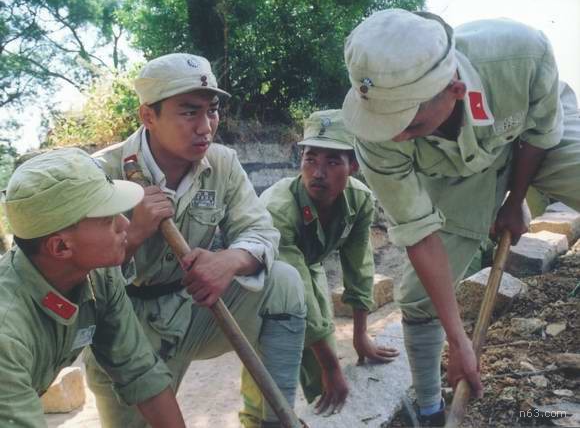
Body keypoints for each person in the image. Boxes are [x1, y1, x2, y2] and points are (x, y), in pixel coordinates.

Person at [341, 9, 580, 426]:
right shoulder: (376, 138)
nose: (395, 136)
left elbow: (541, 134)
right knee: (420, 296)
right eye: (385, 124)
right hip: (460, 174)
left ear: (453, 90)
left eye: (409, 124)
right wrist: (459, 340)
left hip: (536, 137)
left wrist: (514, 200)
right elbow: (420, 234)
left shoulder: (522, 53)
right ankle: (431, 412)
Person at [84, 53, 307, 428]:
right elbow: (81, 279)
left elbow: (261, 231)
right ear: (148, 116)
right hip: (125, 329)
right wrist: (134, 235)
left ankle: (270, 421)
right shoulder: (100, 173)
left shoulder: (222, 163)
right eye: (189, 113)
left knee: (283, 282)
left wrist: (229, 261)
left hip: (194, 310)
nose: (205, 127)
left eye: (212, 111)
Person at [0, 148, 186, 428]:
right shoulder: (7, 333)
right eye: (108, 219)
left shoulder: (100, 277)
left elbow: (141, 374)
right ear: (60, 247)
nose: (125, 224)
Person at [240, 109, 400, 422]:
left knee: (322, 354)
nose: (318, 172)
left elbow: (359, 268)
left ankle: (323, 416)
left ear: (353, 166)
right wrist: (332, 366)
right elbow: (294, 290)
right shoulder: (279, 210)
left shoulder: (359, 201)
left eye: (333, 162)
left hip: (306, 264)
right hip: (261, 275)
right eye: (310, 159)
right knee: (270, 366)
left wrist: (360, 336)